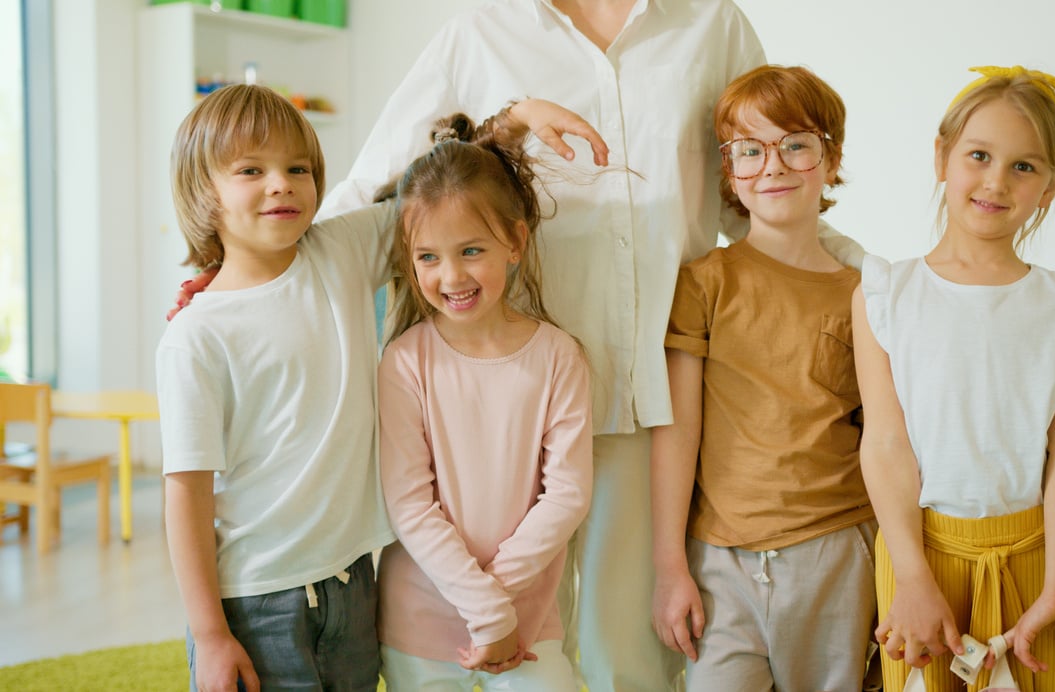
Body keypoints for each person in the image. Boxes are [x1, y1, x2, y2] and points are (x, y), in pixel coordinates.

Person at [319, 4, 861, 689]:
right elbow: (386, 186)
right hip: (504, 406)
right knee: (502, 641)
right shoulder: (481, 31)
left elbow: (753, 182)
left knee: (627, 657)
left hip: (650, 396)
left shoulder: (712, 23)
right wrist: (244, 268)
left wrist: (865, 273)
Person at [851, 65, 1055, 692]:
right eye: (979, 155)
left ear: (1051, 186)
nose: (996, 181)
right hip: (920, 557)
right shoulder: (887, 294)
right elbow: (884, 443)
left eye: (1024, 166)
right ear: (942, 156)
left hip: (1035, 558)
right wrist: (911, 579)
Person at [156, 84, 399, 691]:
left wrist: (510, 123)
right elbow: (186, 493)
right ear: (204, 193)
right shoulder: (195, 335)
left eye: (298, 167)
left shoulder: (340, 250)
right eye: (250, 170)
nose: (281, 183)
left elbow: (439, 190)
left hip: (353, 580)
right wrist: (211, 634)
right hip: (255, 601)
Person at [649, 65, 876, 692]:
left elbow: (884, 436)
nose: (772, 166)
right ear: (730, 171)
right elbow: (678, 430)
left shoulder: (864, 294)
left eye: (795, 144)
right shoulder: (703, 283)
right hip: (719, 563)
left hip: (835, 552)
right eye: (750, 150)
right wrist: (671, 564)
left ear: (830, 161)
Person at [375, 112, 592, 691]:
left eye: (471, 250)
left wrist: (498, 605)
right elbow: (409, 505)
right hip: (417, 618)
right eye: (428, 257)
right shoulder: (403, 362)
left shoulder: (558, 356)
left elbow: (567, 494)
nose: (451, 276)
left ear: (515, 241)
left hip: (528, 618)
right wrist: (486, 608)